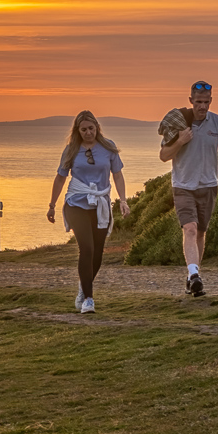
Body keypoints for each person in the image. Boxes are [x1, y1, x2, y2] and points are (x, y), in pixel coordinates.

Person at [159, 81, 218, 297]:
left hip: (209, 185)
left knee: (200, 232)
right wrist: (180, 141)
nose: (202, 106)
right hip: (182, 186)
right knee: (189, 228)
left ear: (211, 101)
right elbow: (163, 156)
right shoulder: (179, 122)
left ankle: (193, 276)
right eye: (198, 102)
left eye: (206, 102)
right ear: (190, 101)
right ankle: (193, 275)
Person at [47, 110, 130, 313]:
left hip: (101, 203)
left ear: (97, 128)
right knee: (87, 248)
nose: (88, 132)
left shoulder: (108, 148)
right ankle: (89, 300)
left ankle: (83, 287)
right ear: (78, 130)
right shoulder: (71, 150)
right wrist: (51, 205)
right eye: (83, 129)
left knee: (98, 253)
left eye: (91, 128)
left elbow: (117, 176)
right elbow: (60, 178)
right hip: (76, 202)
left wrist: (123, 201)